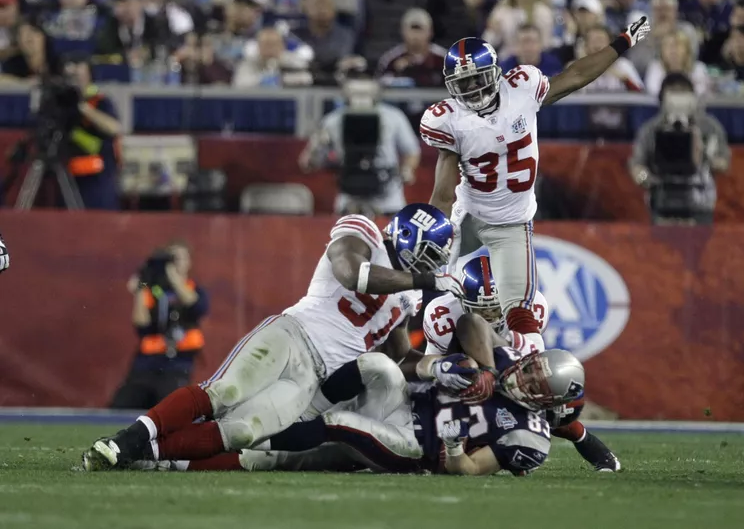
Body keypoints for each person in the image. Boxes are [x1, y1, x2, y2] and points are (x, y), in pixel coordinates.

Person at [82, 204, 469, 471]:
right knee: (224, 394)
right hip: (293, 335)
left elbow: (399, 356)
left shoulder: (408, 294)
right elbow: (353, 274)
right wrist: (427, 279)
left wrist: (437, 366)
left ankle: (143, 453)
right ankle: (126, 439)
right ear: (405, 236)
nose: (432, 265)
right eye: (429, 254)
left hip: (314, 378)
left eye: (436, 260)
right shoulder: (362, 232)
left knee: (242, 431)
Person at [421, 17, 650, 338]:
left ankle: (520, 369)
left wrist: (622, 42)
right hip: (470, 219)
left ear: (496, 73)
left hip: (513, 220)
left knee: (519, 309)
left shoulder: (522, 89)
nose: (472, 90)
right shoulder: (450, 120)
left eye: (478, 79)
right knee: (442, 296)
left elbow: (577, 75)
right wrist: (435, 236)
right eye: (464, 83)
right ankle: (435, 366)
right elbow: (444, 192)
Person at [150, 346, 585, 476]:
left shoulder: (528, 434)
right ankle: (305, 408)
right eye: (531, 368)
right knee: (377, 364)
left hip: (417, 448)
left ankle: (261, 433)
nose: (523, 377)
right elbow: (465, 331)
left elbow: (468, 470)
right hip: (405, 404)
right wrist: (442, 367)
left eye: (535, 383)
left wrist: (453, 447)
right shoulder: (499, 363)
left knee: (338, 424)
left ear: (546, 402)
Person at [421, 251, 620, 472]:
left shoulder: (531, 305)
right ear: (461, 299)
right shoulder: (442, 314)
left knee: (544, 400)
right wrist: (453, 373)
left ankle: (588, 443)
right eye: (481, 308)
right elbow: (434, 366)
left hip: (510, 350)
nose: (490, 315)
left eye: (495, 308)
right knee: (467, 385)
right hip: (465, 362)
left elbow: (532, 375)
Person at [300, 60, 420, 215]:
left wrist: (407, 169)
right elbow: (308, 165)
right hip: (349, 201)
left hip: (389, 200)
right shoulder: (332, 121)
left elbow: (412, 151)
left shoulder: (394, 117)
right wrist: (315, 147)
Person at [110, 240, 209, 409]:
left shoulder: (194, 289)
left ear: (188, 262)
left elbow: (195, 306)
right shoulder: (154, 291)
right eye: (172, 259)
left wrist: (174, 278)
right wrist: (142, 285)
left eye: (180, 259)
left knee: (171, 406)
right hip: (147, 363)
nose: (175, 263)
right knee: (122, 404)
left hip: (177, 363)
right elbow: (141, 324)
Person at [629, 73, 730, 225]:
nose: (678, 99)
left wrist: (705, 155)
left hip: (700, 204)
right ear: (662, 99)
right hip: (662, 203)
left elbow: (723, 163)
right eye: (673, 93)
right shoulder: (650, 130)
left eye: (683, 92)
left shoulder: (709, 127)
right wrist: (646, 179)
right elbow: (637, 165)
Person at [62, 53, 123, 210]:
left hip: (96, 179)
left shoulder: (100, 101)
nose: (74, 75)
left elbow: (114, 127)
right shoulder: (61, 103)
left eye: (79, 70)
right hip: (66, 175)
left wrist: (83, 108)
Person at [482, 0, 554, 60]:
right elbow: (487, 43)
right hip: (508, 62)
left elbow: (547, 45)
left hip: (537, 61)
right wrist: (492, 31)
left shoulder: (543, 12)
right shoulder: (501, 11)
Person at [375, 7, 446, 88]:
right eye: (412, 30)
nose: (415, 36)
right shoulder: (390, 60)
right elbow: (379, 85)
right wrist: (397, 73)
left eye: (420, 30)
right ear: (402, 31)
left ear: (430, 32)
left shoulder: (443, 59)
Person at [574, 25, 644, 92]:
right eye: (593, 41)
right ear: (585, 46)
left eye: (601, 40)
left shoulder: (623, 66)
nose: (597, 45)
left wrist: (625, 80)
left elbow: (641, 97)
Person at [644, 30, 710, 96]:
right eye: (668, 46)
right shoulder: (655, 67)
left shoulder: (699, 69)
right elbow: (653, 91)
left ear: (687, 50)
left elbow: (700, 93)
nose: (673, 51)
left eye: (677, 45)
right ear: (662, 52)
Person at [498, 24, 562, 77]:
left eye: (533, 42)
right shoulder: (505, 69)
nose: (528, 47)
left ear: (540, 44)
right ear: (516, 45)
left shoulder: (553, 65)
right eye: (524, 42)